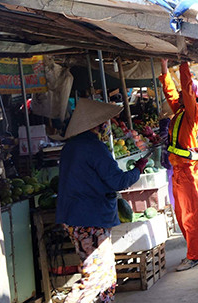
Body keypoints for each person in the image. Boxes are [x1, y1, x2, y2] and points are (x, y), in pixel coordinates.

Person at [56, 98, 148, 303]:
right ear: (97, 124)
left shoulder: (70, 148)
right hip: (90, 219)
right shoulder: (94, 148)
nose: (107, 124)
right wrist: (138, 169)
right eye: (104, 121)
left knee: (103, 274)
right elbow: (118, 181)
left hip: (76, 217)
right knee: (97, 278)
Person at [158, 59, 198, 271]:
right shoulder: (180, 112)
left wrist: (184, 64)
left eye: (187, 94)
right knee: (181, 214)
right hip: (178, 169)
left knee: (189, 215)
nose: (182, 95)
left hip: (187, 170)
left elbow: (186, 88)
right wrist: (164, 67)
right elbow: (171, 92)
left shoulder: (194, 113)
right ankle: (196, 244)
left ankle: (194, 255)